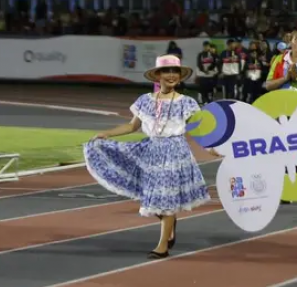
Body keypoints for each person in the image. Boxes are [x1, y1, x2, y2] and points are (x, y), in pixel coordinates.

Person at [84, 54, 210, 259]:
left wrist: (212, 148)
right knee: (153, 198)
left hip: (175, 153)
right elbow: (132, 126)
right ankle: (169, 223)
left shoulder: (187, 102)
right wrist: (107, 133)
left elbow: (199, 129)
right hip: (150, 151)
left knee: (166, 197)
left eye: (175, 72)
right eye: (167, 71)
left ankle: (162, 246)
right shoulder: (145, 101)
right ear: (157, 76)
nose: (171, 76)